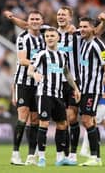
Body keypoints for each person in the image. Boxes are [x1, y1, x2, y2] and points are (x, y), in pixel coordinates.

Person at [4, 7, 105, 163]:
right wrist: (12, 18)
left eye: (64, 15)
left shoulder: (77, 33)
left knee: (72, 118)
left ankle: (72, 154)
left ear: (70, 17)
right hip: (55, 83)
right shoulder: (49, 31)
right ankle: (55, 154)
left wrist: (104, 21)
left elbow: (96, 31)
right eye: (59, 14)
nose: (60, 17)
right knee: (57, 119)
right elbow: (27, 25)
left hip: (72, 80)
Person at [28, 27, 81, 167]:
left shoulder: (62, 55)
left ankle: (59, 158)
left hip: (58, 95)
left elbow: (67, 73)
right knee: (44, 123)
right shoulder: (41, 55)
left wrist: (75, 88)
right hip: (44, 94)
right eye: (47, 36)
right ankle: (41, 158)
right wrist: (35, 75)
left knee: (62, 124)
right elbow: (30, 70)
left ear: (58, 38)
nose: (50, 38)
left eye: (52, 35)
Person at [8, 10, 45, 166]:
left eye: (38, 18)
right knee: (23, 114)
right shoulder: (23, 37)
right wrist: (40, 64)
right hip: (23, 81)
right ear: (28, 21)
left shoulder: (46, 35)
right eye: (32, 19)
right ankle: (15, 153)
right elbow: (22, 60)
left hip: (39, 83)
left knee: (35, 118)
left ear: (42, 21)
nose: (35, 21)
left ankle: (31, 154)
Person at [78, 17, 105, 166]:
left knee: (87, 120)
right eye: (80, 27)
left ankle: (94, 156)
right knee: (90, 121)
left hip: (93, 89)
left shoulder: (98, 45)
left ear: (93, 28)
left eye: (85, 26)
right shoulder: (83, 43)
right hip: (83, 89)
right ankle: (96, 157)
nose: (82, 29)